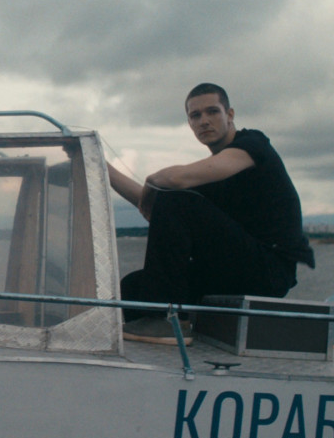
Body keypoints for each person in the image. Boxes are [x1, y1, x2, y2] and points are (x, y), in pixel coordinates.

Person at [107, 83, 315, 345]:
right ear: (190, 123)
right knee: (135, 287)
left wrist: (152, 182)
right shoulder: (212, 172)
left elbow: (171, 184)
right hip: (233, 267)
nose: (204, 121)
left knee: (175, 195)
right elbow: (153, 205)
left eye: (212, 112)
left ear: (230, 114)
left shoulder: (253, 145)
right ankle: (168, 329)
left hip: (269, 272)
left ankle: (161, 320)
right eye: (195, 116)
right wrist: (100, 167)